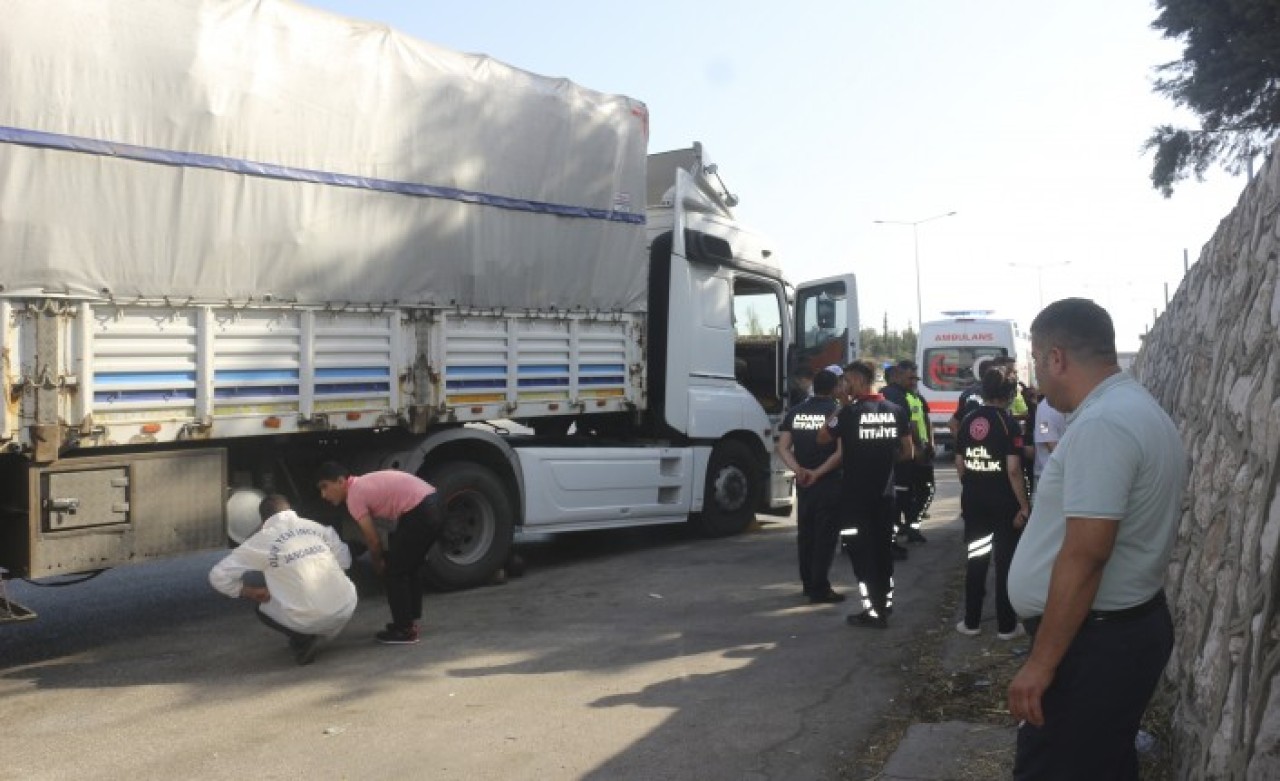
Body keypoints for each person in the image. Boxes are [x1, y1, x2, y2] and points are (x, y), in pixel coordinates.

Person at [1006, 298, 1186, 779]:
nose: (1038, 378)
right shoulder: (1133, 408)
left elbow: (1086, 554)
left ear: (1056, 357)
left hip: (1094, 645)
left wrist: (1041, 664)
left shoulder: (1104, 423)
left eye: (1037, 361)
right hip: (1111, 636)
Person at [818, 360, 912, 629]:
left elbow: (823, 437)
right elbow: (908, 452)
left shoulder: (849, 413)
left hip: (855, 500)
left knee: (861, 556)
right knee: (883, 553)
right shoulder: (895, 410)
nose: (842, 386)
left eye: (846, 380)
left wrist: (842, 405)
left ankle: (873, 612)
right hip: (886, 496)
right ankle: (886, 603)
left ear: (857, 381)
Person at [208, 494, 357, 665]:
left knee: (262, 607)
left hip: (309, 619)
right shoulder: (317, 527)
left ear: (263, 520)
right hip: (346, 606)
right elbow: (345, 560)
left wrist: (249, 591)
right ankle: (323, 620)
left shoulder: (260, 541)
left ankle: (304, 639)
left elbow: (218, 575)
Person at [317, 462, 445, 645]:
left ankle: (405, 630)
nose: (323, 495)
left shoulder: (354, 496)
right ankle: (408, 620)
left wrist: (378, 564)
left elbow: (373, 540)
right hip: (435, 503)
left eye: (325, 487)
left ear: (340, 481)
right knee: (410, 565)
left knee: (394, 572)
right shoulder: (362, 483)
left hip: (421, 511)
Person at [954, 368, 1030, 640]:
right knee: (1005, 563)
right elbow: (1013, 470)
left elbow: (960, 462)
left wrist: (973, 487)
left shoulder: (967, 420)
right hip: (1004, 505)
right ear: (1008, 395)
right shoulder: (1007, 423)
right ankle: (1006, 627)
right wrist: (1024, 506)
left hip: (974, 502)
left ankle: (971, 622)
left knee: (976, 559)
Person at [776, 368, 845, 604]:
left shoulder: (795, 412)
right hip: (828, 481)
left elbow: (783, 447)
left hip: (804, 483)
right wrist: (818, 472)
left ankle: (807, 583)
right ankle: (820, 588)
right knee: (825, 537)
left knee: (806, 535)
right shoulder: (837, 413)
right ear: (835, 387)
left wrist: (799, 470)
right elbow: (840, 453)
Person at [1030, 395, 1066, 495]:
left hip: (1058, 475)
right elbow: (1049, 440)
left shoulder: (1047, 408)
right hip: (1049, 475)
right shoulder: (1044, 410)